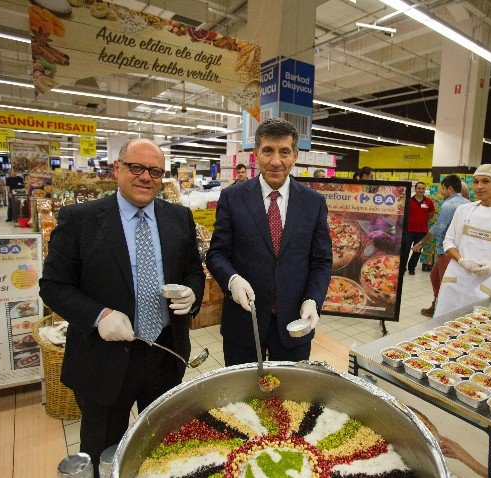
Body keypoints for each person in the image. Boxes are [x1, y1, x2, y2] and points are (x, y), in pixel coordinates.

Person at [39, 138, 205, 475]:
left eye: (155, 171)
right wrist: (99, 316)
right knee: (103, 450)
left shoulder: (179, 217)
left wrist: (192, 295)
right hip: (103, 359)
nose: (146, 177)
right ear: (117, 169)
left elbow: (191, 271)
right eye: (137, 168)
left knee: (161, 445)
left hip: (164, 353)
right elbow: (53, 286)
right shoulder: (80, 220)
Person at [206, 118, 332, 365]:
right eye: (268, 151)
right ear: (255, 154)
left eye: (284, 151)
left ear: (295, 155)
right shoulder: (232, 198)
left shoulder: (313, 202)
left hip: (295, 325)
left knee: (290, 398)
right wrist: (232, 280)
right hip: (243, 323)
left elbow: (322, 262)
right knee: (241, 399)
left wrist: (313, 299)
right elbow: (217, 254)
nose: (276, 161)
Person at [434, 165, 491, 317]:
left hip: (483, 280)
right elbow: (449, 241)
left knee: (474, 324)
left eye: (485, 181)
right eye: (476, 182)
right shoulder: (464, 210)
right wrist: (461, 260)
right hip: (455, 276)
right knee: (443, 320)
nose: (479, 187)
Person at [412, 175, 469, 316]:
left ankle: (445, 312)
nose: (441, 192)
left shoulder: (448, 205)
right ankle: (436, 305)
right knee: (435, 277)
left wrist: (421, 243)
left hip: (447, 250)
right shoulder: (467, 203)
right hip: (459, 249)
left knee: (445, 282)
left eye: (443, 188)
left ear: (450, 188)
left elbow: (438, 228)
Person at [404, 182, 434, 275]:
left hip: (422, 231)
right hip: (409, 230)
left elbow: (431, 214)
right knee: (405, 250)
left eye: (423, 189)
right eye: (419, 188)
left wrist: (423, 220)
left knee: (417, 251)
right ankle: (402, 267)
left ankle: (411, 268)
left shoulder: (428, 201)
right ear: (415, 189)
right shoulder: (408, 200)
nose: (421, 190)